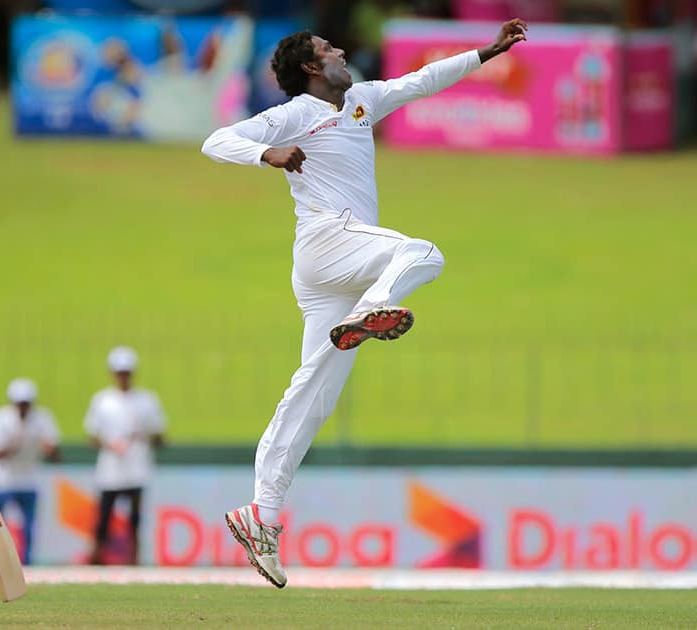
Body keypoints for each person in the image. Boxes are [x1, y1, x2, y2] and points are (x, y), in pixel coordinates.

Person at [201, 19, 528, 588]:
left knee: (313, 393)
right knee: (424, 254)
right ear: (310, 66)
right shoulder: (298, 112)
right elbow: (216, 140)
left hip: (337, 272)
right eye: (329, 49)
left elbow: (421, 81)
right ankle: (367, 316)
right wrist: (268, 154)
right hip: (332, 240)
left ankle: (261, 513)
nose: (342, 51)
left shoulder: (360, 100)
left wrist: (486, 52)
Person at [84, 346, 166, 565]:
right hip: (110, 469)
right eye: (120, 372)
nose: (123, 377)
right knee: (103, 518)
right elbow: (92, 436)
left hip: (137, 468)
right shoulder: (102, 400)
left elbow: (160, 436)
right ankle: (98, 556)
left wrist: (144, 435)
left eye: (126, 372)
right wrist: (110, 444)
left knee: (135, 519)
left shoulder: (147, 400)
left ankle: (134, 559)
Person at [0, 377, 61, 565]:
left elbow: (56, 455)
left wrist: (48, 448)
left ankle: (26, 564)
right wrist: (14, 445)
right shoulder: (0, 419)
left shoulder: (43, 419)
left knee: (28, 528)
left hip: (29, 479)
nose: (23, 408)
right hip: (3, 480)